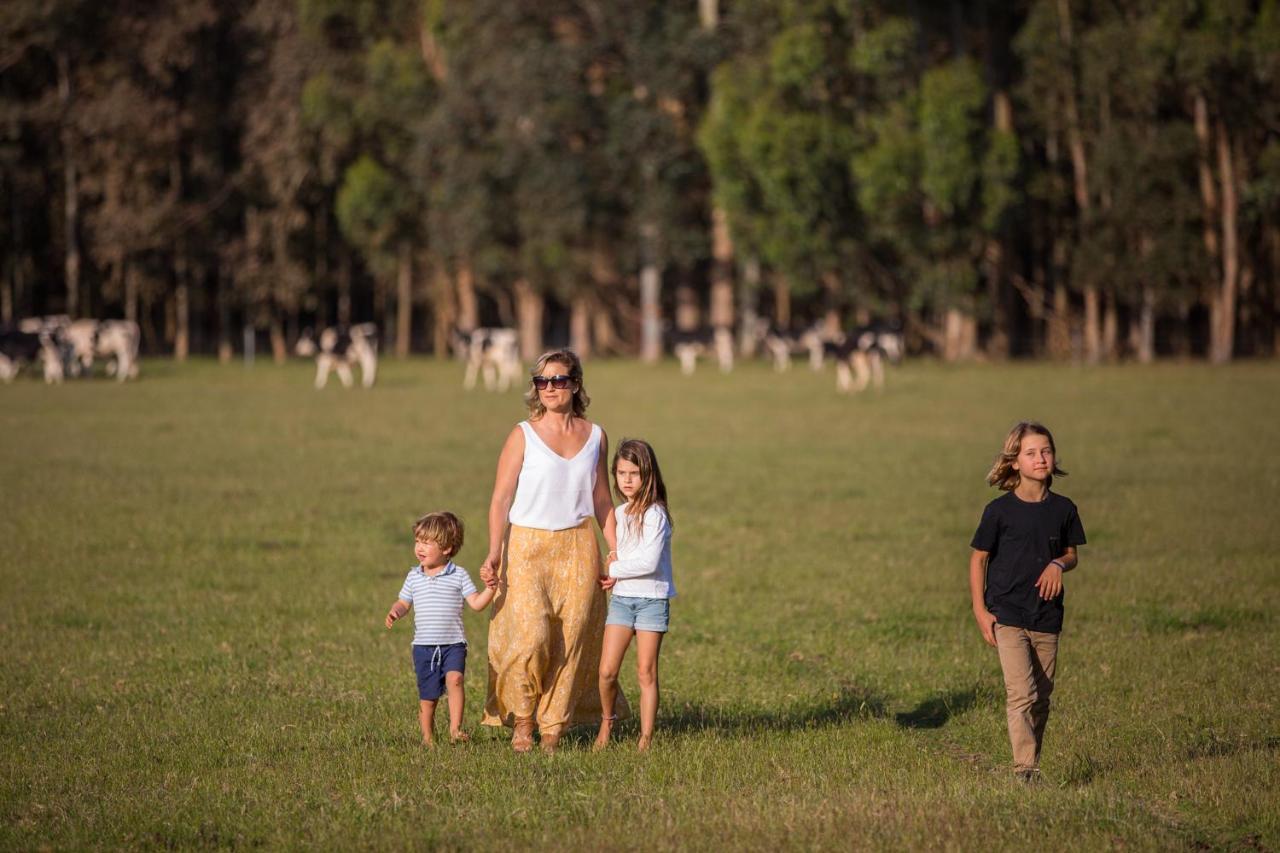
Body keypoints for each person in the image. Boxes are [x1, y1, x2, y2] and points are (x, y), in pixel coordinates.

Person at [478, 349, 630, 753]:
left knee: (573, 638)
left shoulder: (595, 435)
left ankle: (552, 726)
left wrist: (615, 553)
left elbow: (602, 499)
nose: (549, 388)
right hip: (526, 545)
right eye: (542, 381)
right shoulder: (522, 434)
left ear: (576, 384)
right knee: (531, 636)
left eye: (558, 380)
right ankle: (523, 718)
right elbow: (500, 499)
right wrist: (494, 551)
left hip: (578, 546)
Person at [969, 421, 1086, 782]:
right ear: (1015, 462)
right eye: (1031, 453)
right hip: (1007, 614)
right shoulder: (998, 512)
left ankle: (1031, 760)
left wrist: (1057, 564)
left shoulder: (1064, 509)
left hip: (1047, 616)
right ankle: (1026, 770)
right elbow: (978, 559)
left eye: (1046, 451)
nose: (1041, 458)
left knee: (1041, 698)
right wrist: (980, 610)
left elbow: (1071, 555)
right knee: (1021, 692)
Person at [385, 511, 495, 746]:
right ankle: (427, 737)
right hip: (423, 647)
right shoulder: (413, 576)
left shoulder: (459, 575)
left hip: (453, 644)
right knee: (429, 698)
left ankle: (455, 730)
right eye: (417, 541)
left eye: (426, 542)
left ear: (446, 548)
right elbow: (404, 602)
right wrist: (396, 611)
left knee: (455, 680)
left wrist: (491, 590)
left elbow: (476, 604)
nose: (419, 548)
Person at [595, 439, 675, 753]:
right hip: (622, 601)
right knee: (606, 671)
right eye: (621, 473)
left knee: (645, 671)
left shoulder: (656, 515)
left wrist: (615, 569)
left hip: (652, 601)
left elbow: (649, 562)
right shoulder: (619, 512)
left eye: (634, 473)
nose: (627, 480)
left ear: (648, 475)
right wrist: (613, 574)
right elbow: (620, 555)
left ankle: (645, 738)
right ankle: (607, 720)